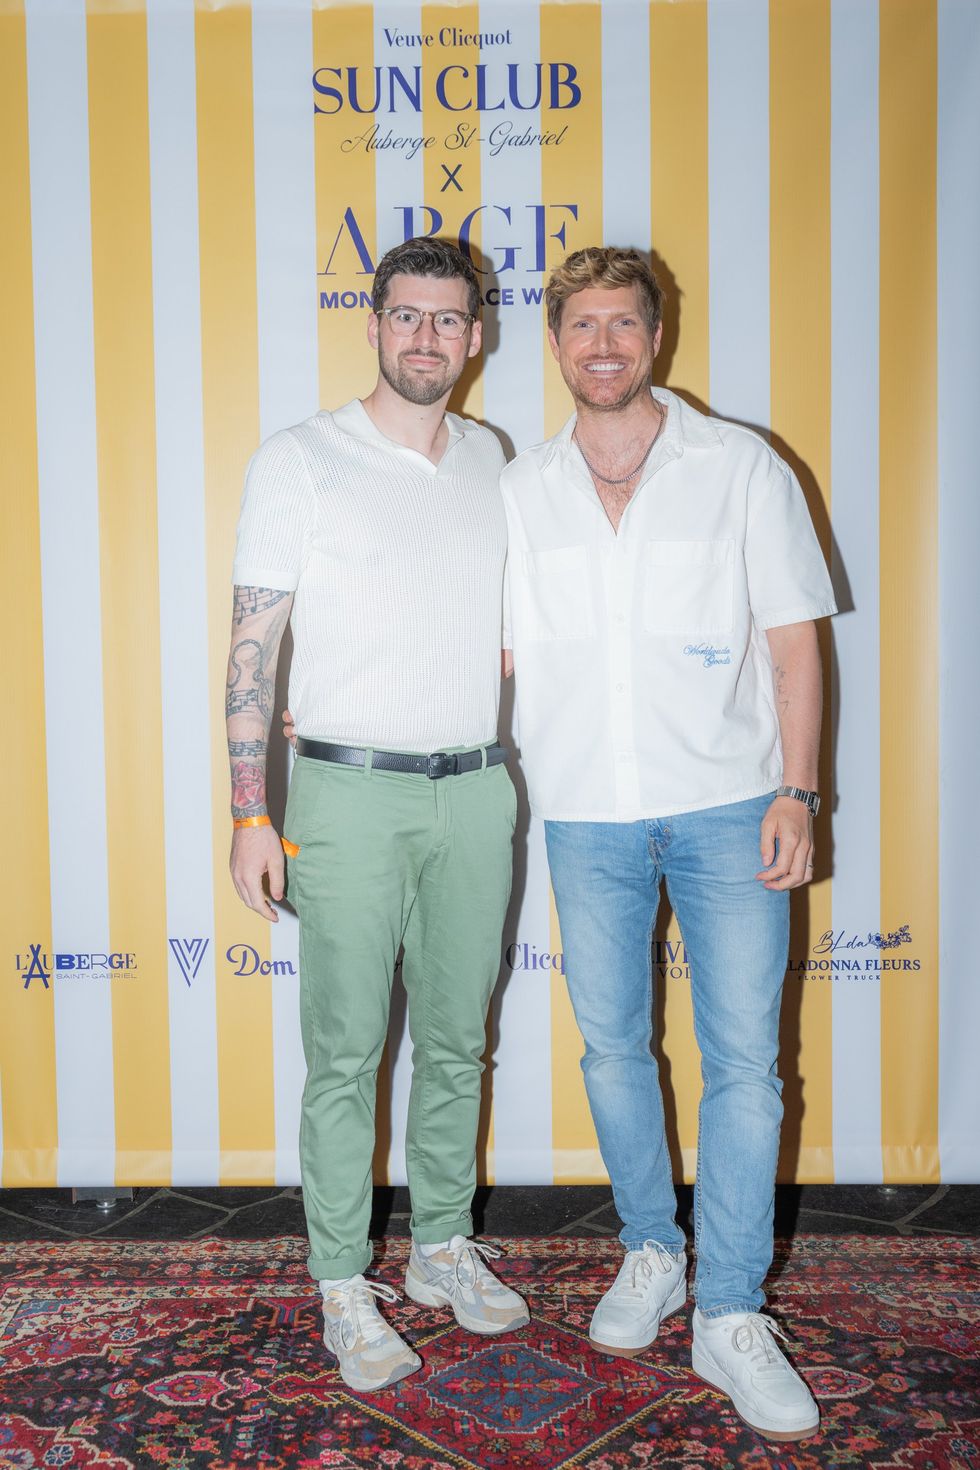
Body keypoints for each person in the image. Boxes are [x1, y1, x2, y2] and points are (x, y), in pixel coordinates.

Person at [500, 246, 837, 1442]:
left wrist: (797, 790)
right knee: (610, 1049)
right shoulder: (516, 489)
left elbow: (794, 645)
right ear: (554, 341)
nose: (601, 343)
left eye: (622, 324)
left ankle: (731, 1310)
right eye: (579, 324)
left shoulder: (737, 466)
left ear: (657, 337)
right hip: (581, 810)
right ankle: (651, 1248)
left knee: (745, 1065)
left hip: (727, 804)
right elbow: (483, 652)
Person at [225, 236, 528, 1395]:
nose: (425, 340)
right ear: (372, 322)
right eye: (405, 317)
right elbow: (252, 646)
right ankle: (344, 1283)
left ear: (476, 334)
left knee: (458, 1039)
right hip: (344, 793)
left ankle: (442, 1246)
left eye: (448, 321)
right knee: (346, 1053)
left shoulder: (492, 459)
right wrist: (253, 811)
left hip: (475, 787)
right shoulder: (299, 458)